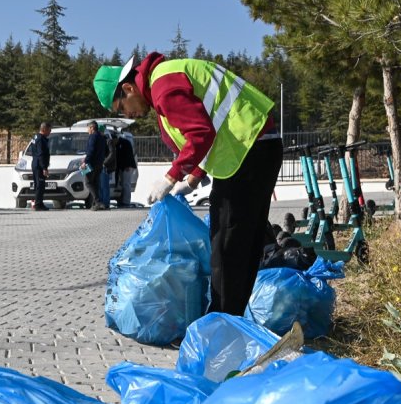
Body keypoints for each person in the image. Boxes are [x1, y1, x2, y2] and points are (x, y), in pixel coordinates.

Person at [93, 53, 281, 316]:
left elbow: (201, 132)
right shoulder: (166, 77)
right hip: (257, 147)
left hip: (248, 151)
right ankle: (233, 318)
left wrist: (172, 176)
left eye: (122, 108)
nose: (129, 115)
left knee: (226, 247)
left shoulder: (163, 86)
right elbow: (216, 127)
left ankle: (221, 325)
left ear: (127, 88)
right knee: (244, 244)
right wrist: (192, 177)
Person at [83, 120, 109, 210]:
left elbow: (91, 150)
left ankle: (97, 202)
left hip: (92, 164)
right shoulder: (102, 137)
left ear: (92, 128)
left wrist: (85, 162)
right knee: (95, 183)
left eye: (88, 128)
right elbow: (106, 152)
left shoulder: (93, 136)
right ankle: (95, 204)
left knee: (88, 182)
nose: (87, 131)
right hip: (99, 164)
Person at [113, 128, 138, 208]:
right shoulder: (120, 143)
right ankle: (122, 200)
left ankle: (126, 202)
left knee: (126, 184)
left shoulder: (124, 143)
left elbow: (128, 156)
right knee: (123, 184)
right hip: (123, 167)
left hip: (127, 167)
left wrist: (127, 166)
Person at [30, 122, 51, 211]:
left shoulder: (36, 137)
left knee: (38, 184)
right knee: (40, 185)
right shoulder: (41, 139)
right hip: (39, 165)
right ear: (44, 129)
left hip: (35, 163)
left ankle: (39, 202)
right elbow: (41, 154)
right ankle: (38, 204)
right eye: (49, 130)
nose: (50, 132)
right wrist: (44, 168)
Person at [102, 127, 118, 208]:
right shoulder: (102, 140)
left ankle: (105, 203)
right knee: (102, 185)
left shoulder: (108, 141)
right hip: (102, 165)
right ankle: (103, 202)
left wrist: (104, 162)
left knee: (105, 185)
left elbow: (112, 154)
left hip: (105, 166)